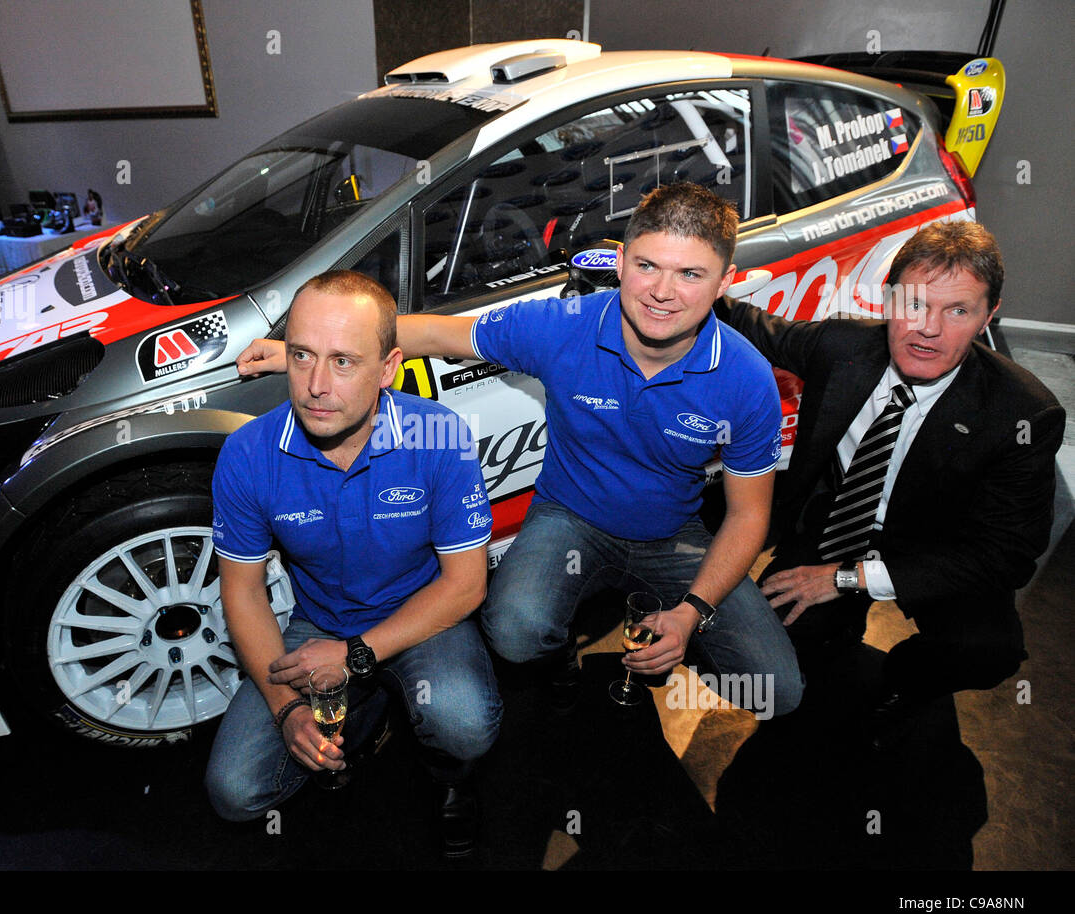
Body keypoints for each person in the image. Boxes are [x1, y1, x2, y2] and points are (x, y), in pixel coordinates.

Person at [238, 183, 805, 719]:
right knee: (514, 631)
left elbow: (749, 515)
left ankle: (665, 637)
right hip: (570, 518)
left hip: (673, 535)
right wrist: (306, 349)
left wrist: (691, 613)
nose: (662, 291)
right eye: (647, 265)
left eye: (690, 274)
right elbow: (439, 335)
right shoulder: (562, 327)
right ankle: (560, 656)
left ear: (725, 280)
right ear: (622, 259)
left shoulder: (746, 378)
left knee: (777, 692)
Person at [715, 221, 1065, 747]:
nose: (929, 329)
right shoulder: (843, 345)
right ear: (888, 300)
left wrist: (848, 579)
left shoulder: (1023, 413)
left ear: (987, 317)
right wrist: (677, 280)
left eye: (959, 311)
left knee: (985, 649)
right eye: (916, 304)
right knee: (785, 640)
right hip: (835, 522)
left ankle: (903, 682)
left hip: (939, 547)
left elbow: (1009, 554)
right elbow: (755, 326)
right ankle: (834, 641)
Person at [207, 270, 502, 857]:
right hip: (319, 623)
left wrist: (355, 655)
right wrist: (287, 709)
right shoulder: (247, 453)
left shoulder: (438, 436)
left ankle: (446, 777)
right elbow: (241, 591)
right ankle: (363, 713)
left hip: (423, 615)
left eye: (343, 361)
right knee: (234, 792)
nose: (316, 384)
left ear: (388, 368)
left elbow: (466, 587)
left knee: (464, 722)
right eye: (302, 356)